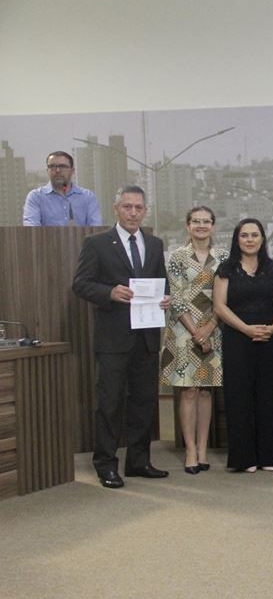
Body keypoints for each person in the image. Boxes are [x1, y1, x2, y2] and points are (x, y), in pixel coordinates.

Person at [72, 185, 170, 489]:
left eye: (138, 208)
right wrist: (109, 292)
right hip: (113, 338)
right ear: (116, 209)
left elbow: (162, 283)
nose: (133, 213)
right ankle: (106, 464)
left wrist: (166, 297)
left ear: (145, 211)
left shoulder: (154, 244)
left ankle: (139, 461)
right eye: (127, 207)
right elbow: (81, 284)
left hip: (146, 337)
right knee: (110, 403)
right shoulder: (97, 243)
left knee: (143, 402)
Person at [213, 218, 273, 473]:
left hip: (269, 338)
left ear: (262, 239)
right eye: (244, 235)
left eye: (254, 235)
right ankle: (244, 458)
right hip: (237, 338)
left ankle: (270, 455)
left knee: (270, 396)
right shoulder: (226, 269)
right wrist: (245, 328)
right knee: (239, 397)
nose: (249, 239)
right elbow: (219, 306)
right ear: (237, 239)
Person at [160, 206, 228, 474]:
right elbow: (176, 298)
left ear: (213, 226)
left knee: (206, 391)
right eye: (196, 221)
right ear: (187, 226)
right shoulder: (177, 257)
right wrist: (197, 332)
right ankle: (189, 450)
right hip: (182, 332)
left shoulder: (223, 257)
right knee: (188, 391)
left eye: (206, 221)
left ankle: (203, 448)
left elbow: (226, 297)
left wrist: (210, 327)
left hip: (215, 328)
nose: (201, 226)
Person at [23, 151, 102, 226]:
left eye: (62, 166)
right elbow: (31, 228)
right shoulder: (36, 197)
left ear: (72, 170)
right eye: (52, 167)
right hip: (46, 240)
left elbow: (96, 228)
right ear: (47, 170)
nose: (57, 170)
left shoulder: (87, 197)